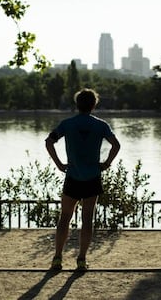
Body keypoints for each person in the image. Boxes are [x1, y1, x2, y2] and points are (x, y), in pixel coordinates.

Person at [45, 88, 121, 271]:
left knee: (65, 217)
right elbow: (116, 145)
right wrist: (106, 164)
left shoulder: (67, 124)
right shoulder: (101, 125)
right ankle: (81, 259)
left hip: (72, 176)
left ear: (77, 104)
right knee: (87, 219)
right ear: (94, 105)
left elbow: (49, 141)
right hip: (92, 177)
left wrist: (59, 164)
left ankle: (57, 258)